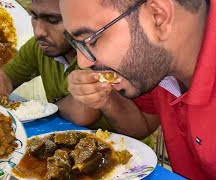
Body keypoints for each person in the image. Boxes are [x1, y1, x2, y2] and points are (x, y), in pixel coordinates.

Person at [60, 0, 214, 179]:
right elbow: (142, 125)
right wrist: (106, 99)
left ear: (158, 16)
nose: (83, 62)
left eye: (92, 40)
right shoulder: (156, 64)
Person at [0, 0, 104, 127]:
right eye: (34, 16)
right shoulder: (39, 47)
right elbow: (7, 75)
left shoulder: (101, 52)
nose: (39, 32)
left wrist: (46, 109)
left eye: (52, 20)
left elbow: (83, 114)